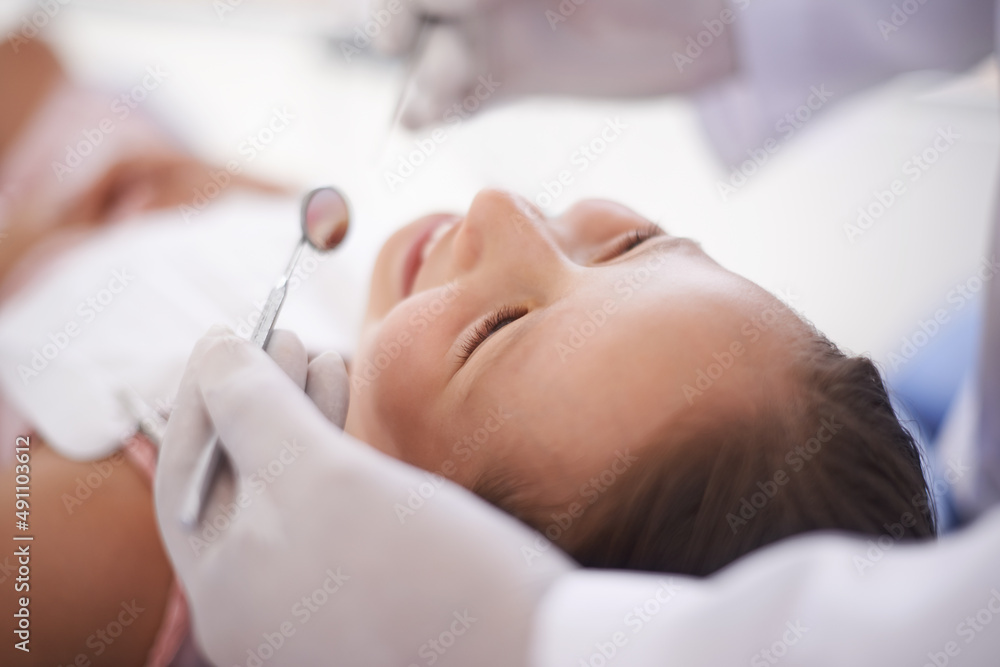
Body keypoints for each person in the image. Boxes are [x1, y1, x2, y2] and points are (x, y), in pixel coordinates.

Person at [0, 31, 938, 667]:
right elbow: (257, 211)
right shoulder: (374, 306)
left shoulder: (107, 543)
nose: (504, 212)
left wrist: (40, 243)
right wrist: (182, 192)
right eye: (633, 245)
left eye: (496, 330)